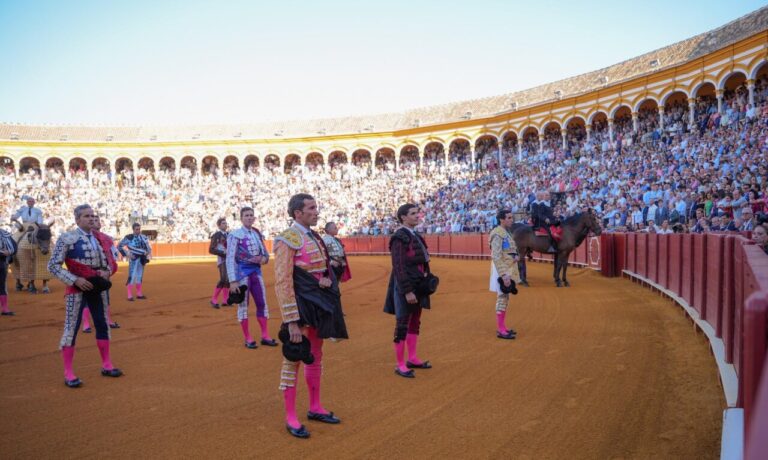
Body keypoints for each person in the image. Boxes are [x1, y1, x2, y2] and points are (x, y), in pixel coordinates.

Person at [274, 193, 348, 438]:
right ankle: (290, 417)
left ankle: (315, 406)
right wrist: (291, 320)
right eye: (312, 208)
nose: (317, 211)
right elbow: (283, 282)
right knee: (294, 358)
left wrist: (325, 278)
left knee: (316, 355)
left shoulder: (313, 235)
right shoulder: (288, 238)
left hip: (316, 304)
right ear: (298, 213)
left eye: (316, 207)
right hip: (301, 306)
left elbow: (317, 269)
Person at [48, 204, 121, 388]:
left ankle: (106, 364)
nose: (91, 218)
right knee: (71, 327)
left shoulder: (103, 239)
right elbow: (53, 266)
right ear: (77, 219)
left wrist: (107, 272)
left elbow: (111, 263)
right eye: (86, 216)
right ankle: (69, 372)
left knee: (102, 323)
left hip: (97, 287)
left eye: (92, 215)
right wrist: (74, 280)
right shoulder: (67, 238)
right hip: (77, 288)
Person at [384, 203, 434, 379]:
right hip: (406, 286)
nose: (417, 216)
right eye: (413, 213)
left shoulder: (415, 235)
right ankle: (400, 364)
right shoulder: (399, 237)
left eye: (417, 213)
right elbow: (398, 265)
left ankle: (412, 358)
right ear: (403, 217)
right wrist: (406, 291)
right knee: (403, 323)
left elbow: (423, 261)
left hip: (418, 284)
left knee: (415, 321)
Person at [226, 207, 276, 348]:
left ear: (254, 218)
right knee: (243, 306)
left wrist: (263, 259)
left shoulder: (256, 234)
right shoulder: (235, 235)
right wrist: (233, 280)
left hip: (256, 273)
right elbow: (230, 258)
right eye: (246, 215)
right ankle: (248, 338)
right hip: (242, 275)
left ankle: (265, 335)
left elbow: (266, 255)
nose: (249, 217)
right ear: (241, 218)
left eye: (251, 215)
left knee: (262, 304)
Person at [81, 215, 121, 331]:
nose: (95, 222)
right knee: (87, 298)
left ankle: (107, 320)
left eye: (97, 220)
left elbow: (113, 256)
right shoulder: (82, 238)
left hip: (103, 273)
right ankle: (86, 324)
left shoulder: (107, 238)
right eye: (92, 220)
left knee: (105, 297)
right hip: (88, 273)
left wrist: (108, 271)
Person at [488, 209, 519, 339]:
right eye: (509, 218)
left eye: (512, 217)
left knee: (505, 297)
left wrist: (515, 256)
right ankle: (501, 329)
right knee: (502, 297)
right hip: (502, 269)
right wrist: (503, 275)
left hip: (508, 268)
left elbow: (508, 250)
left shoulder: (505, 232)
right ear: (501, 219)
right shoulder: (497, 233)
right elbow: (496, 255)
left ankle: (503, 327)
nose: (512, 220)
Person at [118, 222, 152, 301]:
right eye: (136, 229)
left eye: (139, 229)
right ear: (133, 229)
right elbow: (119, 246)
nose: (138, 231)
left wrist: (148, 253)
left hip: (141, 258)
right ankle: (129, 295)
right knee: (132, 276)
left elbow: (148, 247)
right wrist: (127, 254)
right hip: (133, 259)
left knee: (139, 276)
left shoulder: (143, 237)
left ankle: (139, 294)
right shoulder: (129, 237)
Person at [208, 218, 229, 309]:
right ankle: (213, 299)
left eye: (226, 223)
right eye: (223, 223)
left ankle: (225, 300)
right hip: (222, 259)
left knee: (228, 280)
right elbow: (211, 249)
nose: (225, 225)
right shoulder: (216, 235)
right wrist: (223, 253)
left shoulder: (229, 234)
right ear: (219, 225)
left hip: (230, 259)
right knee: (223, 278)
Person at [0, 228, 17, 316]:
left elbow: (14, 247)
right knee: (2, 286)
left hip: (2, 263)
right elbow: (14, 247)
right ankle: (5, 309)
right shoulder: (4, 233)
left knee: (2, 285)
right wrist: (5, 252)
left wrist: (6, 252)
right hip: (2, 261)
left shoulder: (3, 233)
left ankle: (5, 309)